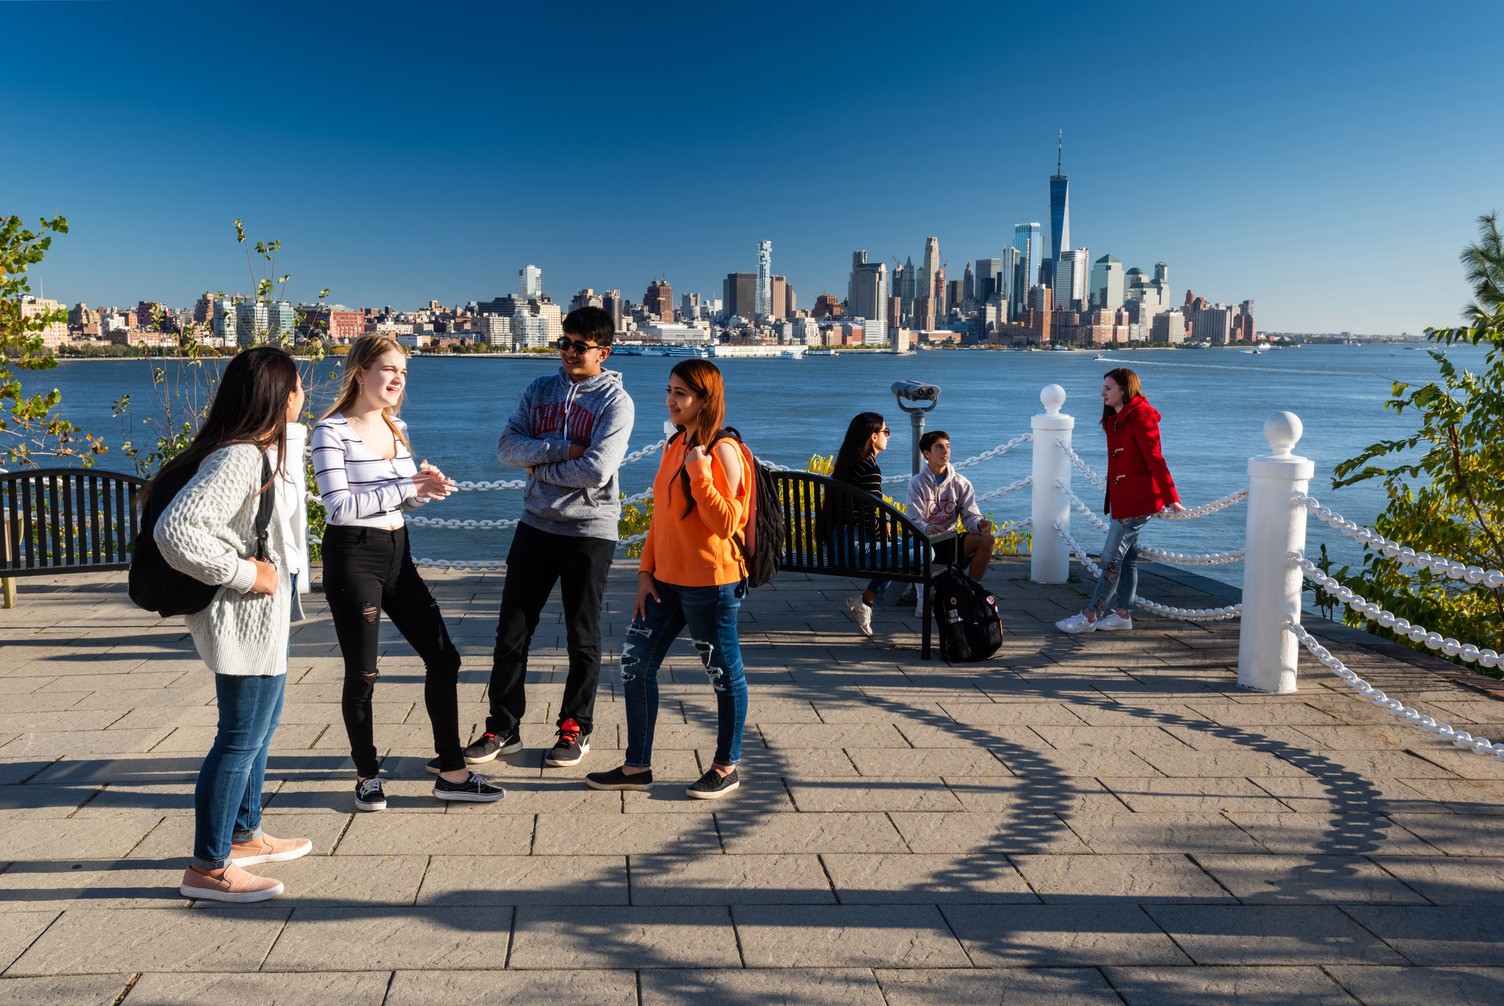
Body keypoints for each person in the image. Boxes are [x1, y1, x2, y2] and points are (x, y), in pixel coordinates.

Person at [313, 334, 504, 809]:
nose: (398, 379)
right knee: (364, 673)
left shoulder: (396, 426)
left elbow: (400, 501)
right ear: (361, 373)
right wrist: (406, 486)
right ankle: (367, 775)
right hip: (353, 555)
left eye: (403, 372)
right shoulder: (329, 431)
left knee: (444, 658)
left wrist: (424, 491)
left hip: (398, 552)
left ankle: (453, 774)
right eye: (389, 369)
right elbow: (338, 507)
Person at [155, 346, 313, 903]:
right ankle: (208, 867)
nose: (305, 394)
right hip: (242, 618)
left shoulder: (261, 450)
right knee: (239, 740)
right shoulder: (241, 457)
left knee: (258, 734)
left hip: (262, 620)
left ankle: (244, 835)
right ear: (281, 394)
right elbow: (177, 531)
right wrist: (245, 574)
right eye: (298, 385)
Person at [465, 306, 635, 769]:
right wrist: (561, 451)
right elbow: (507, 448)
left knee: (583, 635)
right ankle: (503, 727)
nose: (569, 352)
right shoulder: (538, 390)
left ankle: (575, 726)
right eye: (564, 343)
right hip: (535, 525)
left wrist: (538, 467)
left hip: (589, 530)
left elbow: (597, 470)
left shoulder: (616, 402)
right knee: (511, 633)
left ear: (603, 352)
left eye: (580, 346)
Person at [584, 359, 750, 800]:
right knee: (635, 665)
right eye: (669, 390)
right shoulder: (675, 443)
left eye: (681, 393)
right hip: (665, 581)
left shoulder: (724, 450)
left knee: (722, 673)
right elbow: (661, 518)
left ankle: (726, 766)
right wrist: (645, 572)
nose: (670, 400)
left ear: (705, 400)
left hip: (712, 583)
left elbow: (727, 522)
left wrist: (700, 471)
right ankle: (636, 765)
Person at [1056, 367, 1186, 634]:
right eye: (1103, 387)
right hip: (1123, 498)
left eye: (1108, 388)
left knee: (1110, 557)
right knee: (1126, 558)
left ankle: (1090, 616)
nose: (1102, 393)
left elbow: (1155, 458)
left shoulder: (1141, 415)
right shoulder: (1117, 416)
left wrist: (1171, 497)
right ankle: (1122, 615)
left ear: (1124, 390)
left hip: (1137, 499)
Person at [828, 411, 903, 637]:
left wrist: (884, 528)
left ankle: (865, 601)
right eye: (886, 431)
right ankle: (866, 600)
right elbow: (870, 517)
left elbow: (863, 514)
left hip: (834, 546)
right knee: (924, 551)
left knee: (902, 547)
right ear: (873, 436)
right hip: (854, 549)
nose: (888, 436)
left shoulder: (846, 466)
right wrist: (885, 534)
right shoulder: (869, 469)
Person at [907, 429, 996, 592]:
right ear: (927, 453)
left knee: (987, 540)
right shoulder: (917, 483)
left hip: (949, 540)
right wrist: (927, 527)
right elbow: (913, 520)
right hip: (924, 543)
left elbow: (970, 517)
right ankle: (925, 595)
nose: (945, 451)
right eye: (939, 447)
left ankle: (971, 589)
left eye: (948, 446)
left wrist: (979, 525)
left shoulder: (961, 483)